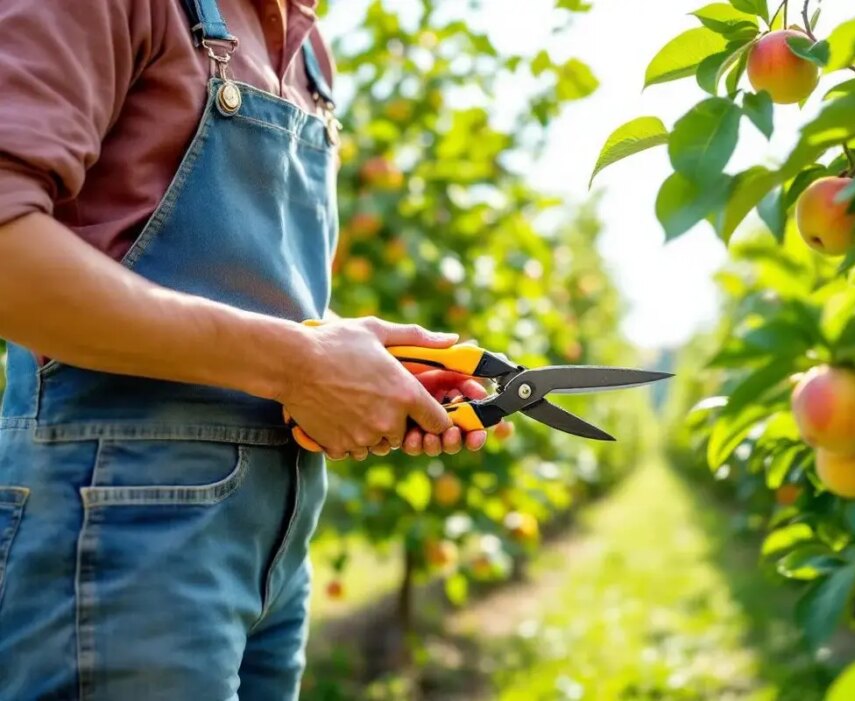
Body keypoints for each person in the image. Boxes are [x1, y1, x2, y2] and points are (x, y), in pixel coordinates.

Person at [0, 1, 492, 698]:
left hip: (277, 547)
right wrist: (298, 364)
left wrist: (349, 358)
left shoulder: (306, 46)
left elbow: (230, 290)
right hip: (123, 540)